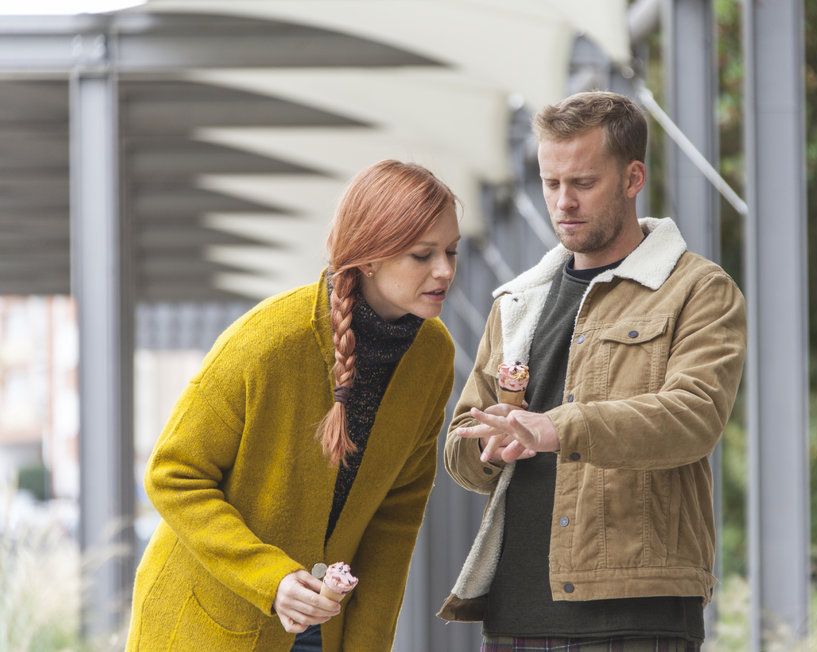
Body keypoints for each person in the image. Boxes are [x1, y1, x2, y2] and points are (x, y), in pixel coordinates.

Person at [438, 91, 747, 651]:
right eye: (550, 183)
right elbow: (461, 440)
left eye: (582, 183)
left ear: (633, 179)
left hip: (635, 616)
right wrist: (485, 448)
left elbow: (694, 417)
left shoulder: (698, 290)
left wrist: (557, 428)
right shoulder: (518, 299)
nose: (563, 202)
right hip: (511, 618)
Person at [126, 160, 459, 652]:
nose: (445, 271)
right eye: (421, 255)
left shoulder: (433, 356)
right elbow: (172, 473)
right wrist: (271, 578)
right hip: (211, 625)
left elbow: (396, 516)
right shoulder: (269, 341)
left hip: (324, 629)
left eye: (452, 251)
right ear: (369, 257)